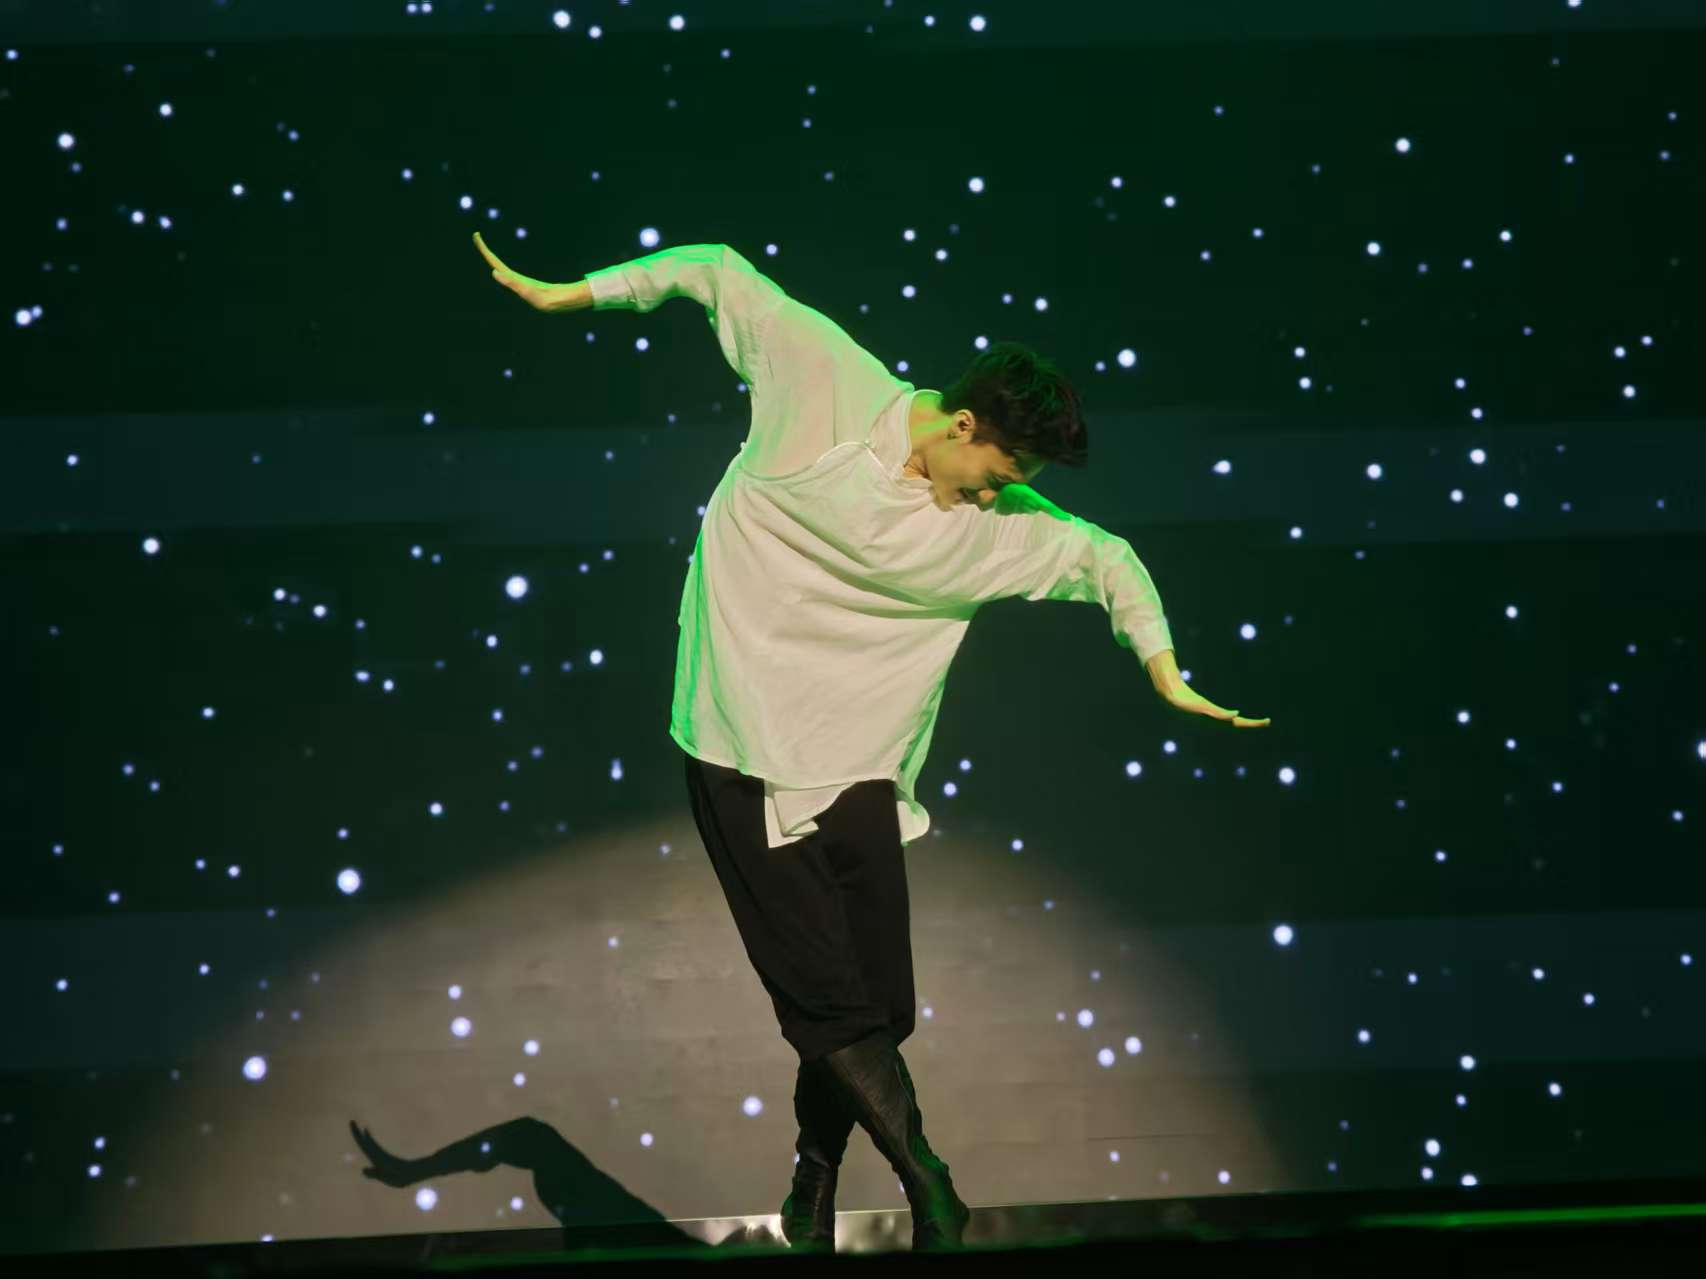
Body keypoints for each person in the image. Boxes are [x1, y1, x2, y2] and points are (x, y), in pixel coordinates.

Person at [473, 233, 1271, 1252]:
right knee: (826, 998)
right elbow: (716, 271)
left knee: (877, 1007)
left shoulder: (999, 524)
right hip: (738, 739)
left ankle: (812, 1176)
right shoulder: (827, 383)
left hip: (857, 765)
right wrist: (572, 294)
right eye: (997, 470)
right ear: (962, 422)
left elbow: (1105, 559)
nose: (998, 494)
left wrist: (1163, 668)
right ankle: (928, 1179)